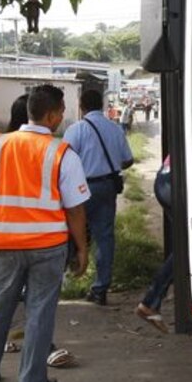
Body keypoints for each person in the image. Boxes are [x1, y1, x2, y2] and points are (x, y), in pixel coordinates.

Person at [0, 84, 90, 382]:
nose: (63, 118)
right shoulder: (60, 152)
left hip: (4, 244)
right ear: (49, 116)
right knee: (39, 312)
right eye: (61, 112)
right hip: (47, 246)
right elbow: (75, 208)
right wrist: (82, 248)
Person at [64, 89, 134, 306]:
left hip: (81, 188)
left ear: (81, 105)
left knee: (71, 233)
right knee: (104, 238)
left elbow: (63, 160)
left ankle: (65, 279)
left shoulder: (76, 129)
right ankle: (100, 288)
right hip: (107, 187)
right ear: (102, 105)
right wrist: (109, 164)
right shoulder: (114, 128)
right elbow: (128, 160)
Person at [135, 156, 173, 333]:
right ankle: (149, 303)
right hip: (172, 183)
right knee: (187, 248)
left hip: (167, 181)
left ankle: (151, 302)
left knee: (186, 247)